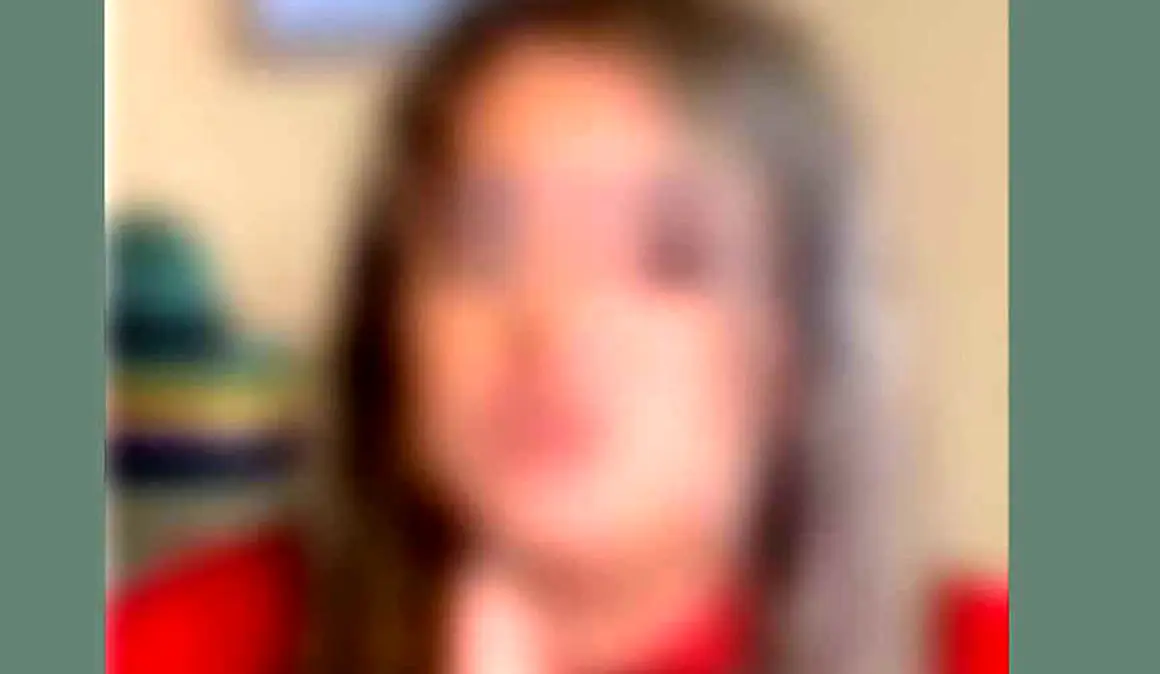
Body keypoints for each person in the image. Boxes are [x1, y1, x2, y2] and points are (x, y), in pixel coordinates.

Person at [109, 1, 1007, 673]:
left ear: (797, 348)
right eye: (481, 244)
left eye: (667, 257)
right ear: (391, 322)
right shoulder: (179, 642)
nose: (553, 324)